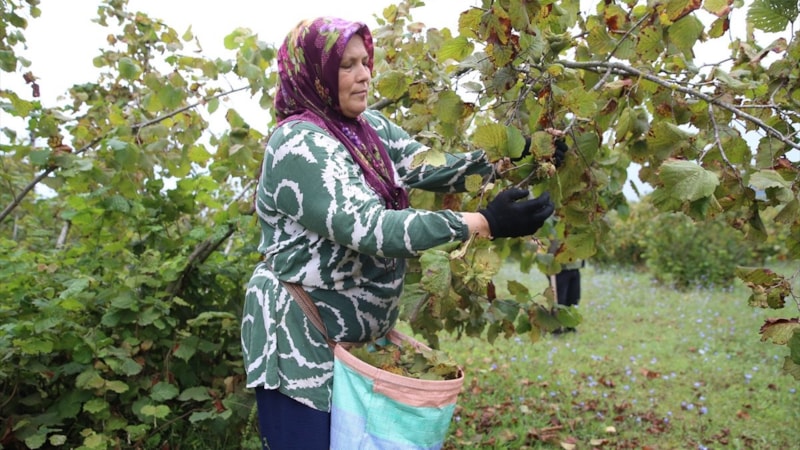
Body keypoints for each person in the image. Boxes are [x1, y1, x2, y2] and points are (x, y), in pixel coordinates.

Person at [241, 16, 560, 450]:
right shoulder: (299, 144)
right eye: (347, 66)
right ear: (316, 74)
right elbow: (371, 228)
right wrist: (484, 223)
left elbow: (429, 167)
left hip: (353, 347)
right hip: (300, 343)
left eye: (365, 62)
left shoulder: (366, 129)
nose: (364, 74)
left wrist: (513, 152)